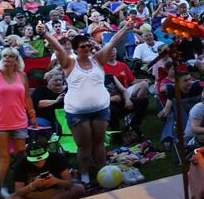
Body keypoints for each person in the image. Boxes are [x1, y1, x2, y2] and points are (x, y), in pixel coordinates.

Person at [38, 20, 134, 186]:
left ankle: (103, 172)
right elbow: (58, 48)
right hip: (77, 112)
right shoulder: (69, 63)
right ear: (76, 49)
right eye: (83, 46)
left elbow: (112, 42)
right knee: (84, 146)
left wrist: (125, 28)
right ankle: (84, 175)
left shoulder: (98, 60)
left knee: (99, 143)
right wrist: (45, 33)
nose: (87, 48)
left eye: (88, 45)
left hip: (100, 109)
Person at [0, 34, 37, 198]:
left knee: (21, 154)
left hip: (19, 120)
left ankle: (22, 183)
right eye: (5, 56)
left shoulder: (21, 76)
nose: (7, 58)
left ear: (17, 60)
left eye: (11, 56)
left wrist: (32, 115)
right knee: (4, 157)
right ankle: (3, 188)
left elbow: (26, 97)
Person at [5, 141, 85, 199]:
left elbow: (69, 183)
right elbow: (19, 192)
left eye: (42, 159)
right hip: (32, 195)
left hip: (56, 193)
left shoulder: (56, 158)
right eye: (35, 161)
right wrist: (33, 185)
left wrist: (56, 181)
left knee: (79, 188)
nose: (39, 162)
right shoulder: (21, 164)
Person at [30, 68, 65, 136]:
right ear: (49, 80)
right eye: (56, 80)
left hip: (63, 119)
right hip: (44, 118)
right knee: (40, 124)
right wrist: (55, 101)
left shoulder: (67, 90)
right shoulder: (41, 89)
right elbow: (35, 104)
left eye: (60, 80)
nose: (58, 82)